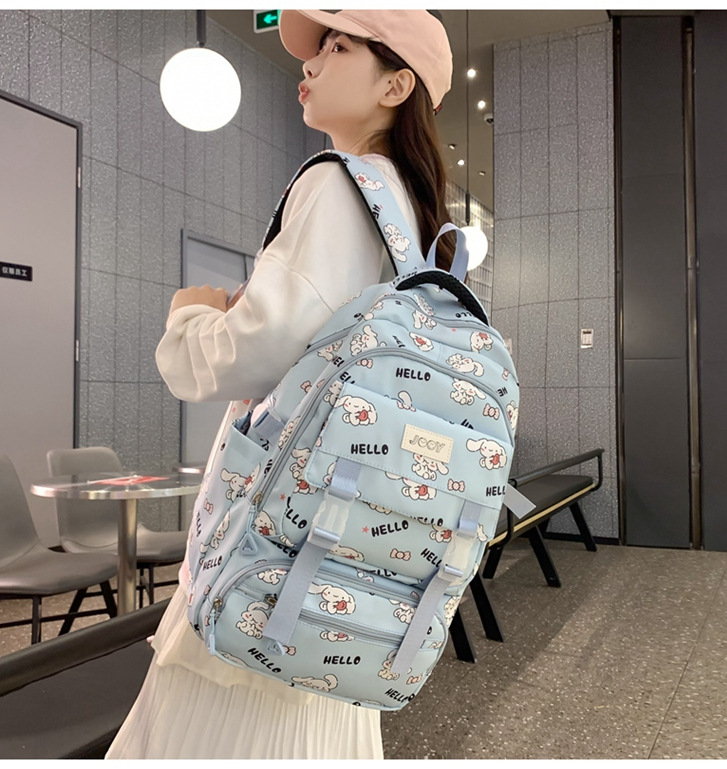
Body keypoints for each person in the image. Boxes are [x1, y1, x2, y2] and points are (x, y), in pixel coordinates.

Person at [106, 9, 454, 760]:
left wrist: (191, 316)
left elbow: (251, 354)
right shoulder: (415, 224)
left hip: (270, 551)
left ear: (396, 86)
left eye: (337, 47)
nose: (310, 63)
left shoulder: (336, 184)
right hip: (342, 562)